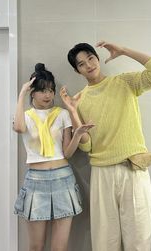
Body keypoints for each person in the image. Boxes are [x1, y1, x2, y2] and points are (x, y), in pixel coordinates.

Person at [60, 41, 151, 251]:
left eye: (91, 58)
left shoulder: (125, 82)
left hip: (133, 168)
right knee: (104, 241)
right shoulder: (78, 100)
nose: (89, 65)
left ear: (98, 58)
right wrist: (73, 113)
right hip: (102, 173)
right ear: (77, 70)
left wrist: (124, 51)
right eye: (82, 64)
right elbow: (86, 147)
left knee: (140, 239)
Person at [13, 63, 94, 251]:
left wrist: (77, 134)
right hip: (36, 181)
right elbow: (18, 128)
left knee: (60, 247)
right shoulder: (25, 116)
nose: (48, 95)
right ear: (33, 92)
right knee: (36, 246)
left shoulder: (62, 114)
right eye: (42, 90)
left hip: (62, 179)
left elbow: (67, 153)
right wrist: (21, 94)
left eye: (50, 90)